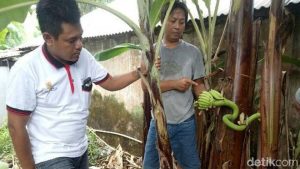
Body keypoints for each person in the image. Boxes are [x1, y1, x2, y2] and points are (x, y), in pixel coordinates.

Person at [6, 0, 146, 169]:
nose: (80, 45)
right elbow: (16, 125)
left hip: (80, 150)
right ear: (48, 38)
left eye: (81, 37)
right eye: (72, 40)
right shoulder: (27, 69)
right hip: (50, 156)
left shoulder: (84, 57)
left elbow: (110, 82)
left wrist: (139, 72)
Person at [142, 1, 206, 169]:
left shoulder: (193, 52)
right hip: (159, 123)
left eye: (182, 21)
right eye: (173, 21)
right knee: (149, 166)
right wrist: (175, 84)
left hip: (185, 123)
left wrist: (211, 99)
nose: (177, 26)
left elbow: (198, 85)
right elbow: (145, 88)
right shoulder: (152, 52)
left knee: (191, 166)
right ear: (163, 21)